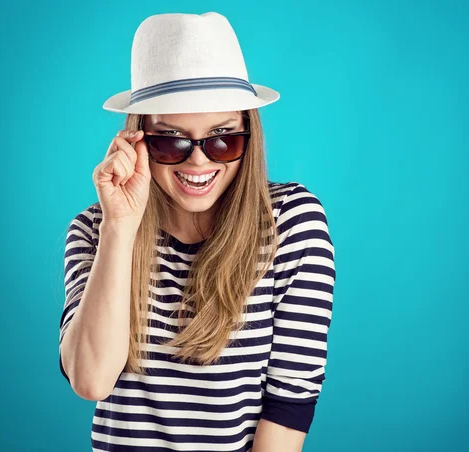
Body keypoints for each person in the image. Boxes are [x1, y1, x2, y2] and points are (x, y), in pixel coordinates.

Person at [59, 12, 336, 452]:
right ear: (138, 139)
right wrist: (120, 227)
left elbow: (289, 403)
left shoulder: (290, 223)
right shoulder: (96, 229)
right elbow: (90, 380)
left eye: (223, 138)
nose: (200, 163)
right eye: (171, 140)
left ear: (249, 134)